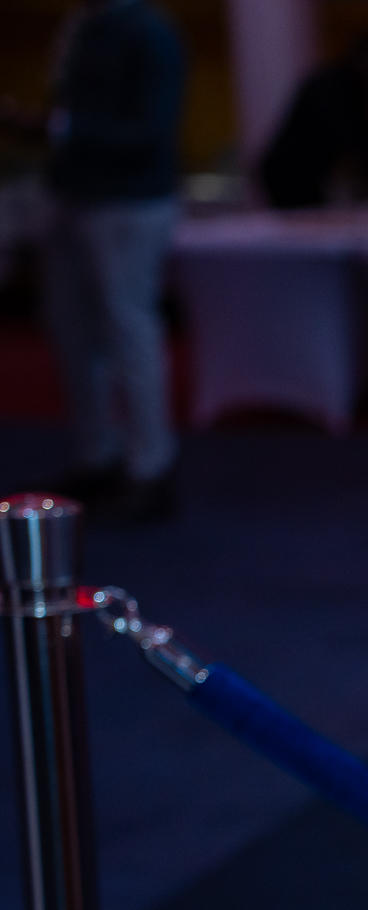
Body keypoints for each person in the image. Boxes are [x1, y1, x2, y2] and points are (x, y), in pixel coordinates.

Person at [28, 0, 187, 523]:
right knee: (72, 329)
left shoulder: (147, 32)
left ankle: (150, 467)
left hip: (129, 202)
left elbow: (151, 131)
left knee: (128, 329)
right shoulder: (83, 26)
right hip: (74, 194)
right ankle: (99, 456)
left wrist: (59, 129)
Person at [258, 30, 368, 210]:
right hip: (290, 171)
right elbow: (362, 144)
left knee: (311, 215)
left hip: (296, 171)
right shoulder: (337, 90)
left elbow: (363, 145)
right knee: (308, 218)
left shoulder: (338, 85)